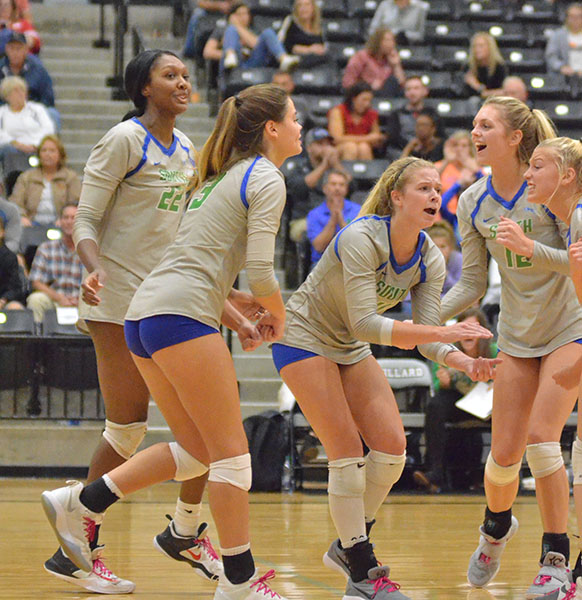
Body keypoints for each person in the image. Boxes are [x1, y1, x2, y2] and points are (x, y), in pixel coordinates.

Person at [41, 82, 302, 600]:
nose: (301, 128)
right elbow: (259, 267)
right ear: (272, 129)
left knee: (200, 450)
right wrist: (278, 315)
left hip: (146, 314)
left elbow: (199, 265)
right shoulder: (266, 176)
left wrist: (241, 311)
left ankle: (84, 501)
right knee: (232, 458)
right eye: (295, 118)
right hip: (179, 315)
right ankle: (239, 582)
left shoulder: (218, 178)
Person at [271, 156, 500, 600]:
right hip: (304, 335)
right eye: (424, 188)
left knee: (393, 449)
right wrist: (440, 331)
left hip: (348, 345)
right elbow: (364, 324)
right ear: (396, 197)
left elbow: (429, 337)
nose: (435, 195)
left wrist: (463, 362)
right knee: (346, 450)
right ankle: (361, 568)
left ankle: (347, 542)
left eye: (438, 189)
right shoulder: (360, 236)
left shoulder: (429, 256)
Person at [39, 50, 223, 595]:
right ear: (143, 88)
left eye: (186, 75)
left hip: (167, 299)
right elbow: (87, 219)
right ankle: (82, 547)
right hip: (117, 297)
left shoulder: (188, 148)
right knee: (128, 428)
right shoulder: (123, 140)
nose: (183, 83)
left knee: (195, 425)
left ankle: (179, 529)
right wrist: (94, 271)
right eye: (171, 76)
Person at [440, 96, 582, 597]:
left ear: (515, 137)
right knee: (502, 460)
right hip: (518, 337)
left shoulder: (548, 183)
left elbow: (579, 262)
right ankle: (496, 527)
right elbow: (473, 284)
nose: (474, 131)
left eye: (486, 125)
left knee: (544, 438)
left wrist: (529, 249)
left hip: (569, 325)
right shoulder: (472, 200)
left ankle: (555, 557)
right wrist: (429, 315)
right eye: (473, 123)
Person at [523, 136, 582, 595]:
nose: (528, 173)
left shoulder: (579, 217)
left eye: (538, 166)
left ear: (567, 176)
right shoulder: (571, 223)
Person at [413, 307, 496, 494]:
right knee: (435, 405)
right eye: (464, 327)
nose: (468, 332)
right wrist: (443, 381)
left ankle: (501, 473)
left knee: (508, 409)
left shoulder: (494, 350)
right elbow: (438, 382)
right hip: (459, 402)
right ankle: (435, 473)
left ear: (483, 332)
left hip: (489, 403)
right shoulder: (447, 351)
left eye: (473, 327)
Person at [285, 127, 352, 245]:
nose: (326, 148)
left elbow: (351, 186)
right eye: (320, 144)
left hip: (337, 216)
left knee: (355, 230)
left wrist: (335, 164)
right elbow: (300, 187)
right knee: (316, 230)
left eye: (328, 144)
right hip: (304, 218)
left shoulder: (336, 168)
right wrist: (324, 165)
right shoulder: (299, 168)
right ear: (309, 147)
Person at [26, 202, 81, 323]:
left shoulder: (88, 250)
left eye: (73, 218)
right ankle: (38, 340)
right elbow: (35, 281)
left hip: (82, 301)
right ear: (59, 221)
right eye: (65, 217)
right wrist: (60, 298)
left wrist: (79, 299)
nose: (69, 221)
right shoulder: (46, 248)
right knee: (36, 299)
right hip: (54, 298)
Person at [10, 134, 81, 227]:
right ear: (39, 154)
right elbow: (15, 202)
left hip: (61, 224)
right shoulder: (26, 177)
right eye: (44, 150)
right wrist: (22, 217)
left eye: (52, 151)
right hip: (31, 223)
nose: (47, 154)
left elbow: (75, 203)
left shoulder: (71, 177)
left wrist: (64, 219)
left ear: (60, 154)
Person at [0, 32, 59, 129]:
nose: (15, 52)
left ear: (26, 50)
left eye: (18, 48)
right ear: (6, 49)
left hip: (32, 111)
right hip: (4, 111)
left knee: (53, 114)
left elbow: (48, 98)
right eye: (12, 48)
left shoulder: (39, 70)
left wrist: (30, 108)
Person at [220, 2, 298, 74]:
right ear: (232, 16)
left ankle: (283, 58)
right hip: (232, 65)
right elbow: (209, 51)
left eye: (246, 14)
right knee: (231, 29)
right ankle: (230, 55)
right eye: (240, 14)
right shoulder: (223, 29)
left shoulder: (254, 29)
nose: (244, 17)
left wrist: (237, 26)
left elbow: (255, 44)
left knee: (268, 32)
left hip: (253, 61)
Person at [0, 75, 54, 179]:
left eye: (22, 90)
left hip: (36, 146)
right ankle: (12, 181)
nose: (20, 94)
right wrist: (16, 144)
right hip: (13, 148)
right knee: (10, 152)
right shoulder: (2, 113)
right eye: (15, 91)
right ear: (7, 96)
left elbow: (48, 129)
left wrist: (35, 145)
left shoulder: (37, 110)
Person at [306, 169, 360, 267]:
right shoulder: (314, 214)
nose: (337, 188)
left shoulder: (357, 211)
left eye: (341, 185)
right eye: (333, 184)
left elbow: (356, 243)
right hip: (322, 263)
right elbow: (319, 247)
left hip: (350, 261)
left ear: (346, 189)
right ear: (325, 188)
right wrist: (333, 220)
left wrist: (340, 219)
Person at [435, 130, 484, 235]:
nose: (459, 149)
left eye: (464, 146)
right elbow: (431, 183)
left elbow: (488, 188)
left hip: (472, 217)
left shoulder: (476, 169)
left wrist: (473, 168)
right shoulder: (440, 166)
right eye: (455, 145)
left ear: (470, 148)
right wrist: (447, 161)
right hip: (444, 218)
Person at [328, 82, 385, 161]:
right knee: (351, 147)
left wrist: (375, 139)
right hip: (340, 148)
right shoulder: (338, 111)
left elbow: (376, 138)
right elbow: (336, 139)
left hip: (364, 148)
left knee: (364, 148)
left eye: (369, 100)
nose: (367, 104)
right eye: (364, 100)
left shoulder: (372, 114)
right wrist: (367, 138)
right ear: (353, 99)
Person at [342, 27, 405, 97]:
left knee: (392, 81)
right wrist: (369, 86)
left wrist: (396, 65)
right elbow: (348, 83)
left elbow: (401, 84)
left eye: (392, 41)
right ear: (377, 42)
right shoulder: (361, 57)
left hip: (386, 94)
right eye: (387, 40)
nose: (391, 44)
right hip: (365, 93)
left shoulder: (390, 59)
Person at [277, 0, 329, 69]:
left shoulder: (319, 27)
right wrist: (309, 49)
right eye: (300, 5)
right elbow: (282, 45)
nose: (303, 8)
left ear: (313, 8)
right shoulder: (290, 22)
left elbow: (323, 47)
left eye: (307, 5)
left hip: (316, 63)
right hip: (295, 62)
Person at [385, 75, 429, 152]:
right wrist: (410, 146)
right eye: (408, 89)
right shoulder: (396, 114)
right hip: (401, 152)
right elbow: (393, 137)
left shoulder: (431, 113)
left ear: (425, 91)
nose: (412, 92)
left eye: (416, 88)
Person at [464, 32, 508, 99]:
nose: (477, 49)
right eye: (475, 46)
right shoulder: (468, 67)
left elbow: (503, 91)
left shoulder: (499, 67)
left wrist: (478, 87)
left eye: (481, 46)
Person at [425, 221, 462, 296]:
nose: (439, 251)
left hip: (451, 301)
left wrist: (445, 275)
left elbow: (461, 291)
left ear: (451, 247)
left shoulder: (458, 259)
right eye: (435, 246)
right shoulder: (422, 259)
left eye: (443, 246)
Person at [546, 2, 582, 76]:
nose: (575, 20)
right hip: (564, 75)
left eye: (578, 16)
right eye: (572, 16)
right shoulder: (557, 35)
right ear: (567, 18)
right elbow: (551, 56)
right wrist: (561, 67)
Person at [0, 213, 25, 310]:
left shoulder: (9, 257)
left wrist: (3, 300)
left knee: (15, 308)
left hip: (3, 302)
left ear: (2, 233)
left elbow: (14, 287)